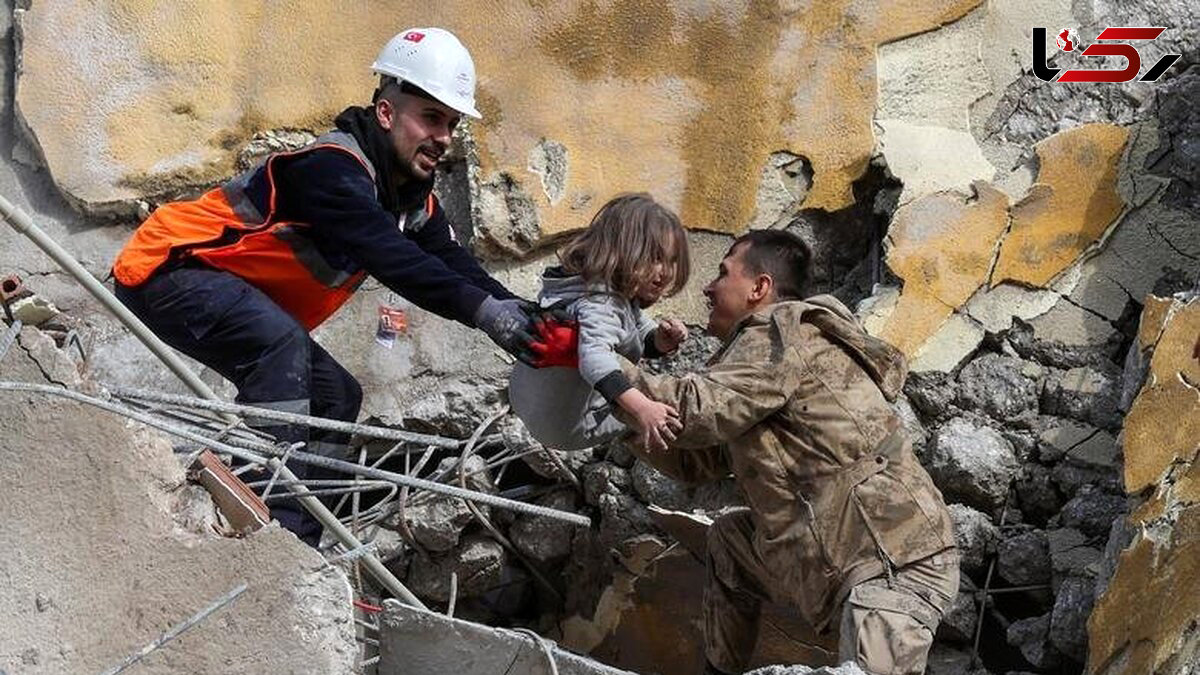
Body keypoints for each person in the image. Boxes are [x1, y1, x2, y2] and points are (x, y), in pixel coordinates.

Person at [111, 27, 571, 547]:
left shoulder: (409, 199)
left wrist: (521, 313)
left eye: (452, 123)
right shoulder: (332, 168)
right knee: (279, 346)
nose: (444, 137)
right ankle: (258, 529)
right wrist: (487, 315)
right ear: (385, 113)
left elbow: (451, 261)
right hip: (167, 269)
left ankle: (300, 544)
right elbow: (390, 255)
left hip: (227, 291)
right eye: (431, 117)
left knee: (336, 395)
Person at [615, 230, 959, 675]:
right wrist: (616, 416)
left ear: (759, 288)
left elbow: (695, 408)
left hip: (891, 560)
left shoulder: (782, 334)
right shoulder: (754, 364)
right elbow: (696, 460)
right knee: (731, 541)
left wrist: (603, 373)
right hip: (839, 558)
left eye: (722, 273)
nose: (707, 287)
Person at [509, 193, 691, 451]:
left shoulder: (589, 288)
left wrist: (660, 340)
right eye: (656, 257)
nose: (666, 272)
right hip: (571, 427)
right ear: (622, 251)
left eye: (671, 261)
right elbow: (595, 359)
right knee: (676, 412)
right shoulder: (600, 303)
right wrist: (643, 409)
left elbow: (635, 324)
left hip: (525, 400)